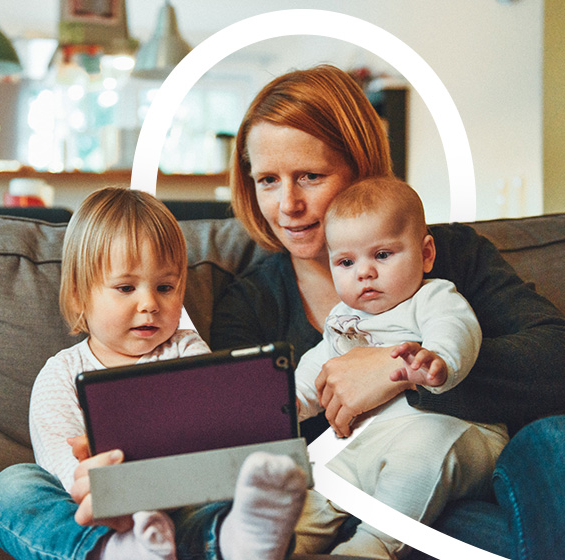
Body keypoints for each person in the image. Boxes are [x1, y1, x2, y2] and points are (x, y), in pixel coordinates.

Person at [211, 64, 565, 556]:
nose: (288, 204)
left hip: (474, 481)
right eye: (268, 180)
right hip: (354, 505)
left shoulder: (449, 255)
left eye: (310, 176)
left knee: (555, 439)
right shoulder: (250, 304)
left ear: (360, 168)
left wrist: (398, 369)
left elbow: (555, 358)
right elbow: (246, 437)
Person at [0, 186, 307, 560]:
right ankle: (115, 551)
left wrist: (259, 410)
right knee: (11, 487)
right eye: (126, 287)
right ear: (77, 296)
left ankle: (237, 541)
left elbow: (214, 431)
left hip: (182, 503)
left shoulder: (185, 350)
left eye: (165, 287)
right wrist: (113, 493)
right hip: (101, 513)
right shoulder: (60, 374)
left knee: (233, 497)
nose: (150, 303)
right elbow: (62, 469)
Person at [291, 176, 508, 558]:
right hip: (368, 440)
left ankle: (371, 546)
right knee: (315, 472)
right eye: (346, 261)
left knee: (418, 454)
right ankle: (288, 543)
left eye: (383, 255)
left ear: (425, 254)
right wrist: (291, 401)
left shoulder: (431, 296)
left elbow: (455, 327)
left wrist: (438, 360)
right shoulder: (344, 317)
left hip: (454, 432)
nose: (364, 272)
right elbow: (320, 363)